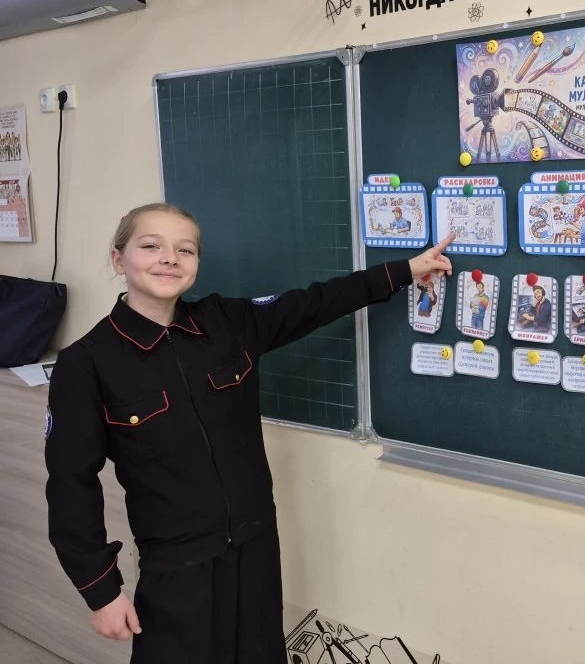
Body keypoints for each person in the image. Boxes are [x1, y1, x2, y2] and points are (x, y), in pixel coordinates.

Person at [44, 202, 453, 664]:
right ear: (118, 259)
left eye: (185, 250)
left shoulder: (226, 322)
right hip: (178, 566)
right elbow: (70, 485)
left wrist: (405, 271)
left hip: (256, 543)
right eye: (151, 246)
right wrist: (100, 590)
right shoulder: (86, 363)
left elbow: (316, 303)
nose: (170, 258)